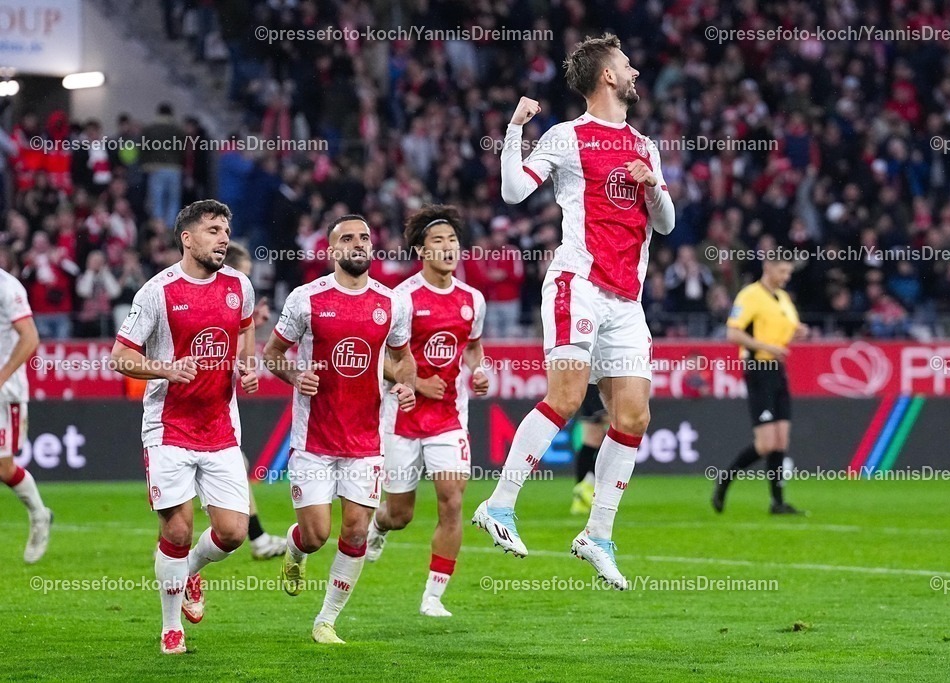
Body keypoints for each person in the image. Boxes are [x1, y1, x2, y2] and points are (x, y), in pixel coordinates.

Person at [473, 33, 675, 590]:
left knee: (632, 417)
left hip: (627, 299)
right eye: (627, 62)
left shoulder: (643, 145)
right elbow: (514, 191)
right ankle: (500, 504)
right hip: (578, 283)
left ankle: (597, 535)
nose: (635, 69)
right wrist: (515, 129)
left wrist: (652, 186)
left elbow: (666, 223)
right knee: (566, 397)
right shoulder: (566, 137)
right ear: (607, 75)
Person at [111, 199, 259, 654]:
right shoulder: (157, 291)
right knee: (176, 530)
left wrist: (248, 370)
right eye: (213, 230)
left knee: (234, 533)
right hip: (168, 426)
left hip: (219, 427)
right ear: (187, 238)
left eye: (226, 229)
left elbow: (245, 337)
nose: (223, 237)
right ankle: (170, 627)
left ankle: (192, 570)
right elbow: (121, 357)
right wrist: (166, 369)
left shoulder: (239, 286)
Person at [264, 215, 416, 645]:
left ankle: (326, 620)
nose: (357, 244)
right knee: (316, 535)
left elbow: (402, 358)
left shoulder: (392, 303)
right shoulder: (305, 299)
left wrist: (404, 385)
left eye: (364, 238)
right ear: (331, 250)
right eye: (347, 238)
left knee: (355, 531)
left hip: (366, 440)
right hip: (314, 439)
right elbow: (272, 353)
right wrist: (295, 377)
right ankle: (295, 549)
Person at [365, 205, 488, 618]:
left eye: (453, 240)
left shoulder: (473, 300)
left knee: (452, 502)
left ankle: (434, 595)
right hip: (402, 417)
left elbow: (471, 344)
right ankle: (379, 525)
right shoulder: (401, 300)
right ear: (422, 250)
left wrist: (479, 368)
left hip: (450, 419)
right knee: (400, 514)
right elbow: (378, 357)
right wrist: (415, 382)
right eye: (438, 241)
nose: (448, 247)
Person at [712, 258, 808, 515]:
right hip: (758, 369)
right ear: (768, 268)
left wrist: (797, 332)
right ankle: (724, 480)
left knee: (780, 440)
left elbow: (785, 328)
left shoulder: (783, 298)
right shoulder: (750, 295)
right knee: (766, 444)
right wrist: (767, 347)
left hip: (778, 370)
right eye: (782, 270)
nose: (786, 276)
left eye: (789, 271)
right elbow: (733, 333)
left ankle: (777, 502)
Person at [222, 242, 289, 559]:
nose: (247, 282)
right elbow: (219, 357)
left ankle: (258, 538)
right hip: (191, 411)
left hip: (217, 409)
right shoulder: (217, 302)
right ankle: (258, 540)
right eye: (244, 274)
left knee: (238, 465)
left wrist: (251, 326)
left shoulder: (232, 305)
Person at [0, 267, 50, 562]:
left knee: (4, 468)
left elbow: (30, 338)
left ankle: (39, 514)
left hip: (5, 394)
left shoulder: (8, 287)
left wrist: (2, 377)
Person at [570, 384, 607, 515]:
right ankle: (586, 486)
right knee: (617, 436)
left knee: (592, 439)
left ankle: (580, 497)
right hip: (599, 386)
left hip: (587, 385)